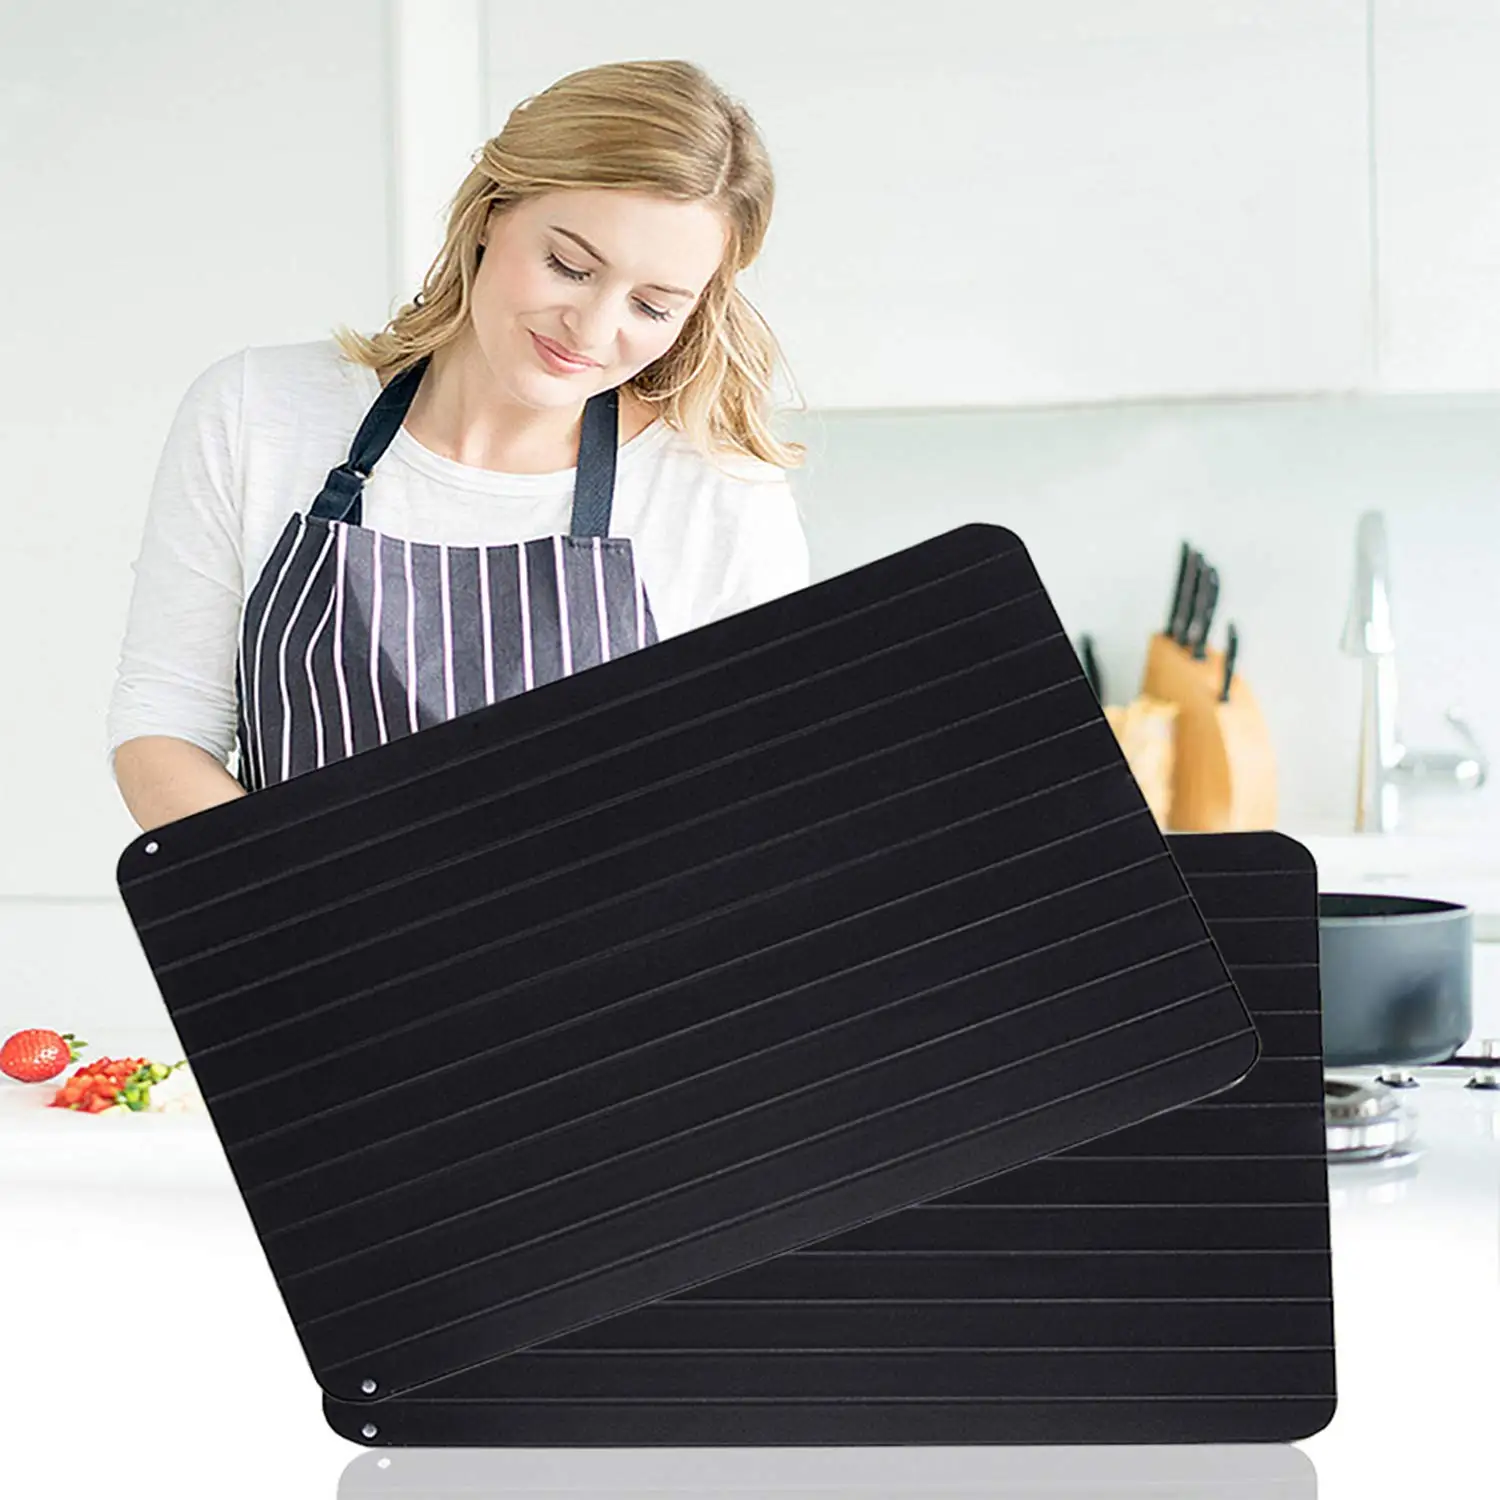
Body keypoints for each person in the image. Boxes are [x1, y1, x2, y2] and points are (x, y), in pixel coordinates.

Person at [106, 58, 811, 833]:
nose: (592, 329)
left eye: (652, 306)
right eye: (569, 266)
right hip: (286, 909)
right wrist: (303, 898)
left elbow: (747, 801)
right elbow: (164, 725)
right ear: (488, 214)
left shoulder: (718, 492)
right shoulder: (260, 410)